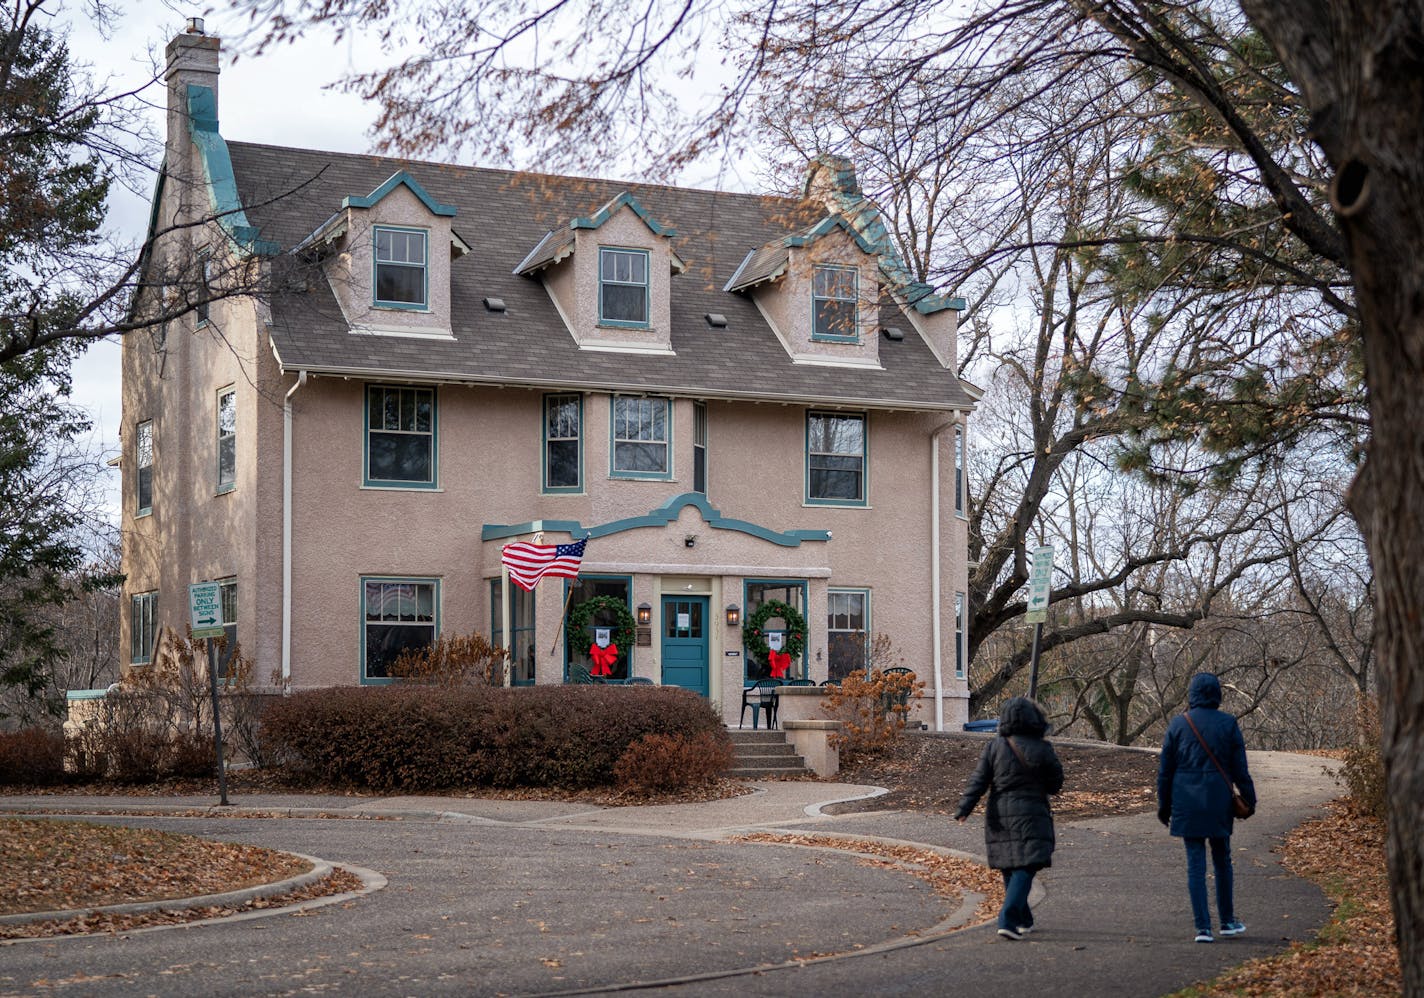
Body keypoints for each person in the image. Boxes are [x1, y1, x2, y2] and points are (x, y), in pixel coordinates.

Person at [1157, 672, 1257, 944]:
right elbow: (1240, 770)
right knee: (1222, 860)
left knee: (1195, 864)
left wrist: (1164, 806)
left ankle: (1203, 928)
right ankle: (1227, 921)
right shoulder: (1228, 723)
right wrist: (1250, 800)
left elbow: (1165, 772)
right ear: (1217, 694)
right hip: (1218, 801)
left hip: (1186, 802)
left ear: (1192, 694)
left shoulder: (1179, 724)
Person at [955, 697, 1064, 941]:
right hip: (1032, 814)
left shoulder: (995, 747)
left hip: (999, 814)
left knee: (1010, 866)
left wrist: (964, 809)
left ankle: (1023, 920)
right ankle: (1007, 918)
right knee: (1026, 867)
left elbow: (979, 780)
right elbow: (1056, 784)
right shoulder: (1042, 748)